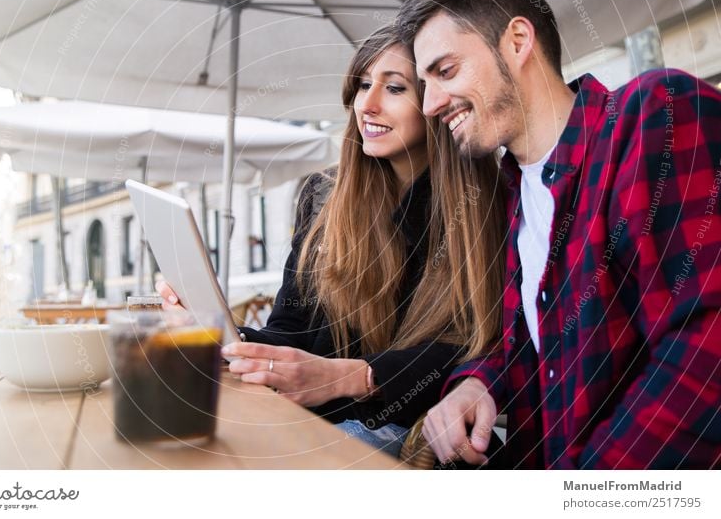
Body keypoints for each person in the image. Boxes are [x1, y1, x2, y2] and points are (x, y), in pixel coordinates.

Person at [397, 0, 721, 468]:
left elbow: (706, 346)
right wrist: (478, 383)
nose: (432, 103)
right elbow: (538, 345)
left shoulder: (651, 115)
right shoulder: (513, 194)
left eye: (445, 71)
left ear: (518, 40)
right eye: (423, 83)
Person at [158, 24, 506, 457]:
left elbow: (480, 347)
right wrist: (227, 339)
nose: (368, 105)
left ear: (435, 102)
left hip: (409, 435)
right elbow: (292, 330)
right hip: (309, 421)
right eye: (362, 86)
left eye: (394, 88)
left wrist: (354, 376)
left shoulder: (485, 205)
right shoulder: (325, 197)